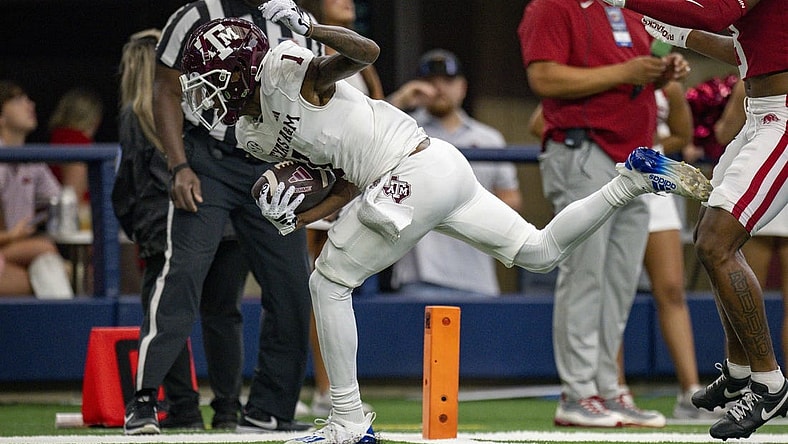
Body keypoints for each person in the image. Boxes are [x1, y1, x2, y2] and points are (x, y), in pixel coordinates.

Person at [178, 5, 711, 443]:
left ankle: (348, 418)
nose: (201, 90)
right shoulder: (251, 132)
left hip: (408, 169)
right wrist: (296, 216)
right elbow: (341, 180)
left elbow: (366, 53)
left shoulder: (291, 70)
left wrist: (309, 27)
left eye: (208, 77)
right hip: (434, 166)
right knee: (541, 251)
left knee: (330, 280)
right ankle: (632, 181)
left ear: (244, 67)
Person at [122, 0, 323, 436]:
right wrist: (178, 166)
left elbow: (309, 100)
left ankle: (269, 409)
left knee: (292, 286)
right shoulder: (193, 15)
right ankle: (143, 400)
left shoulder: (294, 24)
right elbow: (166, 89)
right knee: (181, 275)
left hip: (272, 162)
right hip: (208, 161)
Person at [600, 0, 787, 439]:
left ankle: (770, 383)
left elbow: (711, 13)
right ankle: (742, 371)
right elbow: (742, 48)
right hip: (762, 114)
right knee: (710, 238)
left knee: (717, 244)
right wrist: (675, 33)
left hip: (782, 114)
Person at [518, 0, 692, 428]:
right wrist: (627, 72)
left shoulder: (627, 10)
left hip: (636, 157)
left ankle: (609, 389)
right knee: (585, 272)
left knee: (620, 278)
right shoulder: (551, 6)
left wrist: (659, 73)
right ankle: (577, 393)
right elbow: (543, 77)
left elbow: (632, 75)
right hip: (585, 148)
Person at [528, 83, 711, 420]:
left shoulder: (660, 76)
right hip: (602, 170)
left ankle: (644, 391)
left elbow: (681, 136)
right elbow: (542, 120)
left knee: (633, 285)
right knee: (590, 277)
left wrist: (668, 96)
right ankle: (591, 389)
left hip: (648, 175)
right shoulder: (608, 72)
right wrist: (593, 145)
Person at [113, 28, 249, 431]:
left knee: (167, 315)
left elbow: (127, 187)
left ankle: (183, 408)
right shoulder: (199, 107)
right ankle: (228, 410)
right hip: (223, 222)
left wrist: (136, 230)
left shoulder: (135, 115)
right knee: (224, 316)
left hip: (165, 228)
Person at [297, 0, 382, 418]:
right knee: (324, 279)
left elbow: (378, 116)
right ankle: (325, 386)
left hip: (362, 178)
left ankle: (339, 382)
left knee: (345, 283)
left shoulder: (361, 56)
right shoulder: (307, 51)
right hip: (325, 176)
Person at [388, 49, 522, 298]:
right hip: (420, 278)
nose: (439, 89)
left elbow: (511, 200)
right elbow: (368, 135)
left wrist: (468, 206)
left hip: (477, 277)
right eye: (429, 83)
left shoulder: (489, 138)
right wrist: (400, 101)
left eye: (448, 82)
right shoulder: (403, 129)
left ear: (462, 87)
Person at [714, 78, 788, 376]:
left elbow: (723, 132)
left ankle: (745, 381)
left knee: (740, 300)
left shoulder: (757, 78)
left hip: (760, 188)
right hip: (779, 179)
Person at [0, 80, 73, 299]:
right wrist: (12, 235)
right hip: (11, 244)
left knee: (45, 265)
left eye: (27, 98)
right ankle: (70, 326)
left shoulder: (31, 158)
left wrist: (36, 221)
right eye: (17, 100)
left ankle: (66, 326)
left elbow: (58, 200)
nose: (29, 104)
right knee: (45, 252)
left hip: (14, 250)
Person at [48, 87, 104, 228]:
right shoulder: (78, 142)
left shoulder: (57, 137)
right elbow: (73, 196)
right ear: (95, 117)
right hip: (76, 224)